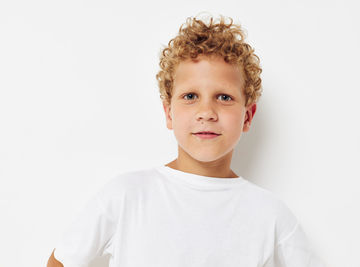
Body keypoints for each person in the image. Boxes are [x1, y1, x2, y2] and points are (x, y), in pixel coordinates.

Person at [47, 15, 325, 267]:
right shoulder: (127, 196)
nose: (207, 112)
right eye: (190, 96)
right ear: (169, 113)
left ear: (248, 117)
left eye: (224, 97)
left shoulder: (271, 216)